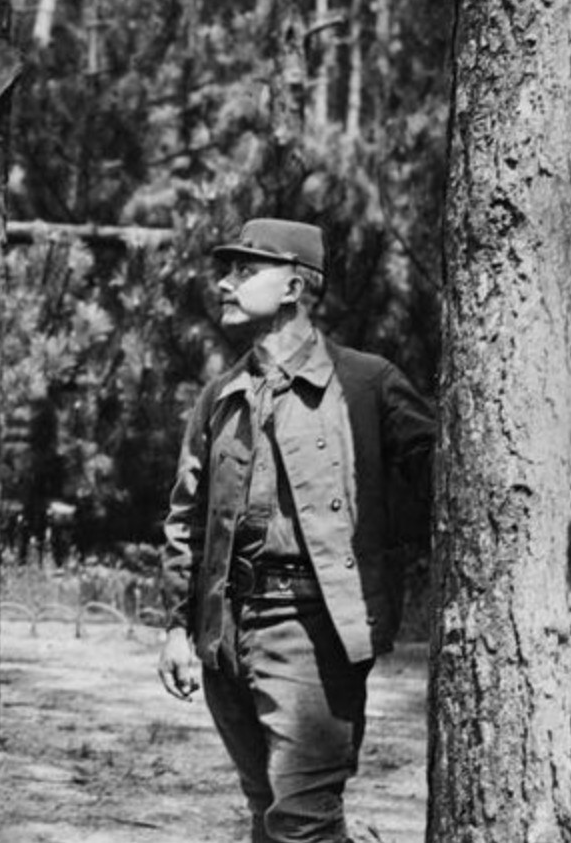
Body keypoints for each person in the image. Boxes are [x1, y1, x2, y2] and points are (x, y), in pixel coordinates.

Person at [156, 217, 436, 843]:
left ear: (294, 288)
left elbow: (445, 477)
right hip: (227, 634)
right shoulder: (220, 394)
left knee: (301, 820)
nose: (225, 284)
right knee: (266, 812)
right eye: (227, 270)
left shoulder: (367, 382)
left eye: (244, 270)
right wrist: (178, 627)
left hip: (316, 631)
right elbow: (187, 519)